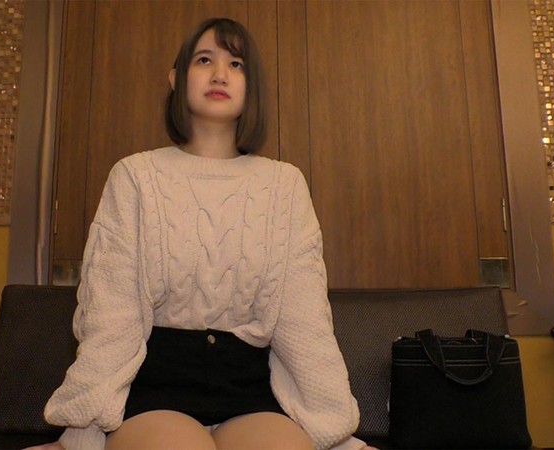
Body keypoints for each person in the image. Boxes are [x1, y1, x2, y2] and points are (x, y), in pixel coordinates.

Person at [34, 17, 373, 450]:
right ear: (176, 79)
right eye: (204, 60)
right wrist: (82, 425)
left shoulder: (284, 184)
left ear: (251, 86)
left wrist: (336, 430)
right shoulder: (136, 176)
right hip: (154, 392)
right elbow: (111, 313)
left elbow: (303, 321)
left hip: (250, 394)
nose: (220, 74)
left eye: (236, 64)